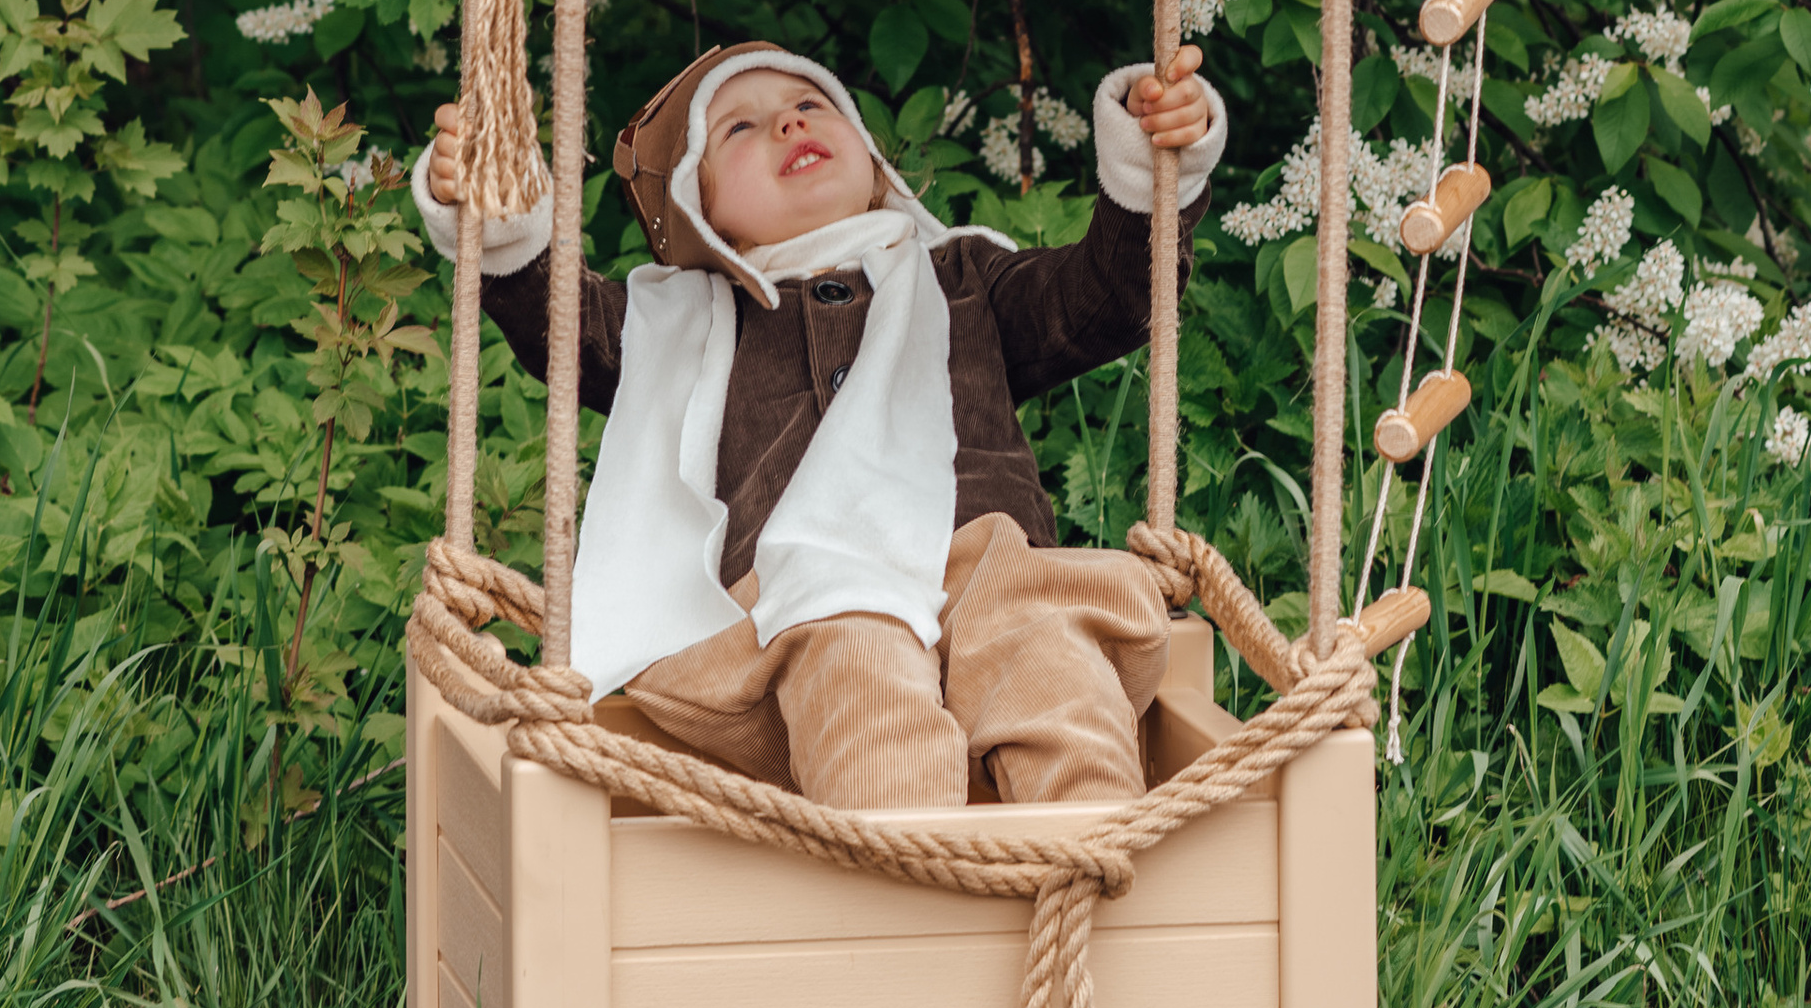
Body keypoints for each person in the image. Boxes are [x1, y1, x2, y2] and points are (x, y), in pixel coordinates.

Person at [415, 40, 1226, 811]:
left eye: (811, 103)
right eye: (739, 127)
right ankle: (901, 866)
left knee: (1047, 652)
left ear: (871, 163)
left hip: (989, 565)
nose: (788, 122)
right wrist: (504, 217)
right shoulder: (688, 321)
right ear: (701, 212)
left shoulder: (962, 279)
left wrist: (1148, 167)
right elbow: (566, 332)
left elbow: (1103, 299)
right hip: (798, 607)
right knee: (855, 661)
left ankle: (1094, 848)